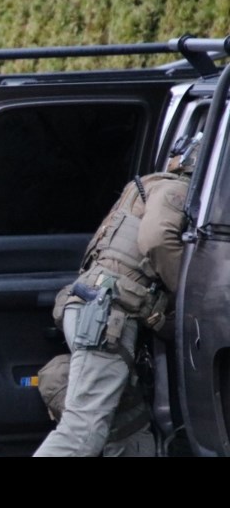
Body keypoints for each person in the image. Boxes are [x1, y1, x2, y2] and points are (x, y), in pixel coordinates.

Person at [34, 132, 202, 457]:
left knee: (128, 431)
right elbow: (157, 240)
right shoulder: (174, 191)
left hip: (96, 308)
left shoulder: (144, 190)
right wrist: (193, 296)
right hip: (108, 317)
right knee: (82, 432)